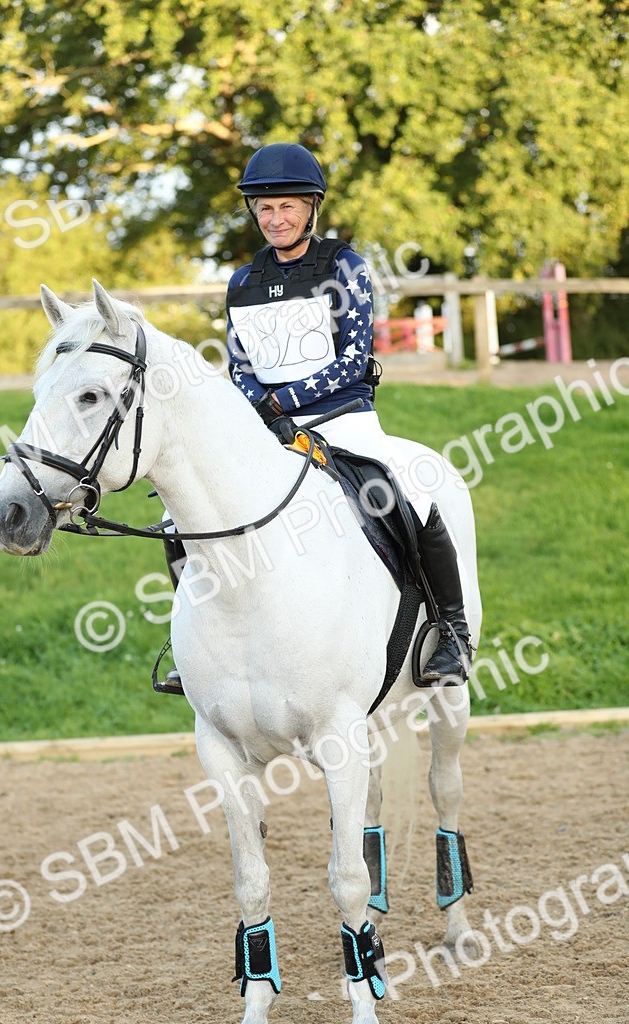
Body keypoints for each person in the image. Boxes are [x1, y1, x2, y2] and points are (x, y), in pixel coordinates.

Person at [160, 142, 472, 694]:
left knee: (404, 492)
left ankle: (450, 627)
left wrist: (282, 403)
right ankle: (201, 648)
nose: (275, 219)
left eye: (287, 207)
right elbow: (241, 365)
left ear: (311, 208)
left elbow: (353, 359)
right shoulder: (242, 282)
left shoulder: (344, 266)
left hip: (343, 418)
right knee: (180, 521)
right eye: (265, 209)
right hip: (267, 429)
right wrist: (260, 407)